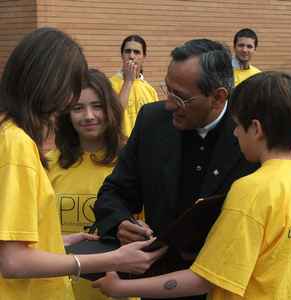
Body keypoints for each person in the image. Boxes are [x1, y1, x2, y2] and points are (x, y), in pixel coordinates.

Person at [93, 71, 291, 300]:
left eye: (237, 125)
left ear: (256, 129)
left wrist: (121, 288)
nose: (234, 133)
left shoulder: (252, 190)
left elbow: (204, 279)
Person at [0, 27, 166, 300]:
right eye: (72, 92)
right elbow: (13, 261)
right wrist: (109, 260)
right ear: (49, 81)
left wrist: (52, 242)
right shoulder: (16, 144)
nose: (69, 102)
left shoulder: (8, 135)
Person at [93, 38, 258, 300]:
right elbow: (113, 193)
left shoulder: (252, 133)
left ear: (218, 97)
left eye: (180, 97)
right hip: (158, 284)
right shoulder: (152, 121)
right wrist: (120, 222)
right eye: (168, 90)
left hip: (226, 287)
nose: (169, 104)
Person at [47, 68, 126, 300]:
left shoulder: (130, 163)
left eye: (97, 106)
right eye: (78, 108)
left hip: (116, 293)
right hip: (56, 291)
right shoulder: (48, 164)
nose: (89, 115)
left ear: (111, 109)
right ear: (66, 115)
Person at [110, 34, 159, 136]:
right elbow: (114, 115)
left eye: (136, 52)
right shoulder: (109, 84)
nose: (131, 56)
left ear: (143, 57)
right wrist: (128, 81)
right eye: (127, 51)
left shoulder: (150, 90)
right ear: (122, 55)